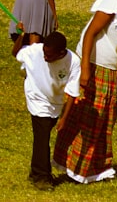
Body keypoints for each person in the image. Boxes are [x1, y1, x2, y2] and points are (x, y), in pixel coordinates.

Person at [53, 0, 117, 183]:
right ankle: (74, 166)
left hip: (112, 70)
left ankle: (97, 168)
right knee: (89, 116)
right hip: (93, 66)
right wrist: (86, 70)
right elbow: (90, 34)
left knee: (105, 120)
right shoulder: (113, 0)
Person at [12, 30, 80, 191]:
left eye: (49, 55)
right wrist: (21, 37)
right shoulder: (36, 50)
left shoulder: (73, 61)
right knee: (42, 138)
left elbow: (72, 92)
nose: (45, 57)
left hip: (55, 103)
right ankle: (42, 177)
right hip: (36, 98)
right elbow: (15, 53)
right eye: (44, 53)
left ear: (61, 53)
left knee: (42, 137)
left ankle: (35, 170)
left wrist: (64, 118)